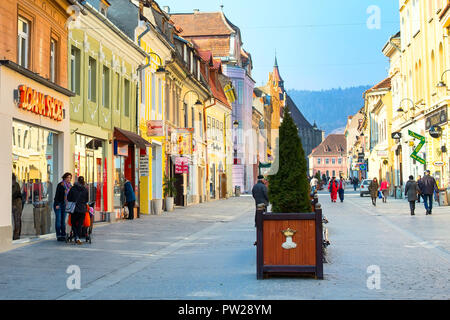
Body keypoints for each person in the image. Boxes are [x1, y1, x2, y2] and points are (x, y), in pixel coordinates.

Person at [67, 176, 89, 244]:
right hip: (82, 209)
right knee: (80, 224)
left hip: (74, 209)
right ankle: (78, 237)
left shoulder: (73, 188)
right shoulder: (85, 189)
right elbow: (86, 200)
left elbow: (68, 198)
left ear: (77, 181)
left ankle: (76, 236)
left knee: (73, 223)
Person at [53, 172, 72, 241]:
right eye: (67, 177)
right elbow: (57, 195)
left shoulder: (70, 186)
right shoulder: (60, 185)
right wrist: (57, 204)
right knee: (58, 220)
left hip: (65, 205)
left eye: (70, 178)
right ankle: (58, 235)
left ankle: (63, 235)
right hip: (58, 204)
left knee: (63, 221)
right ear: (64, 178)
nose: (69, 179)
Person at [11, 173, 23, 240]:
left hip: (17, 203)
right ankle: (16, 235)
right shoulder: (16, 184)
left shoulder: (15, 185)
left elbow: (16, 194)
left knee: (17, 220)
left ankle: (16, 236)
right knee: (17, 220)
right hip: (15, 203)